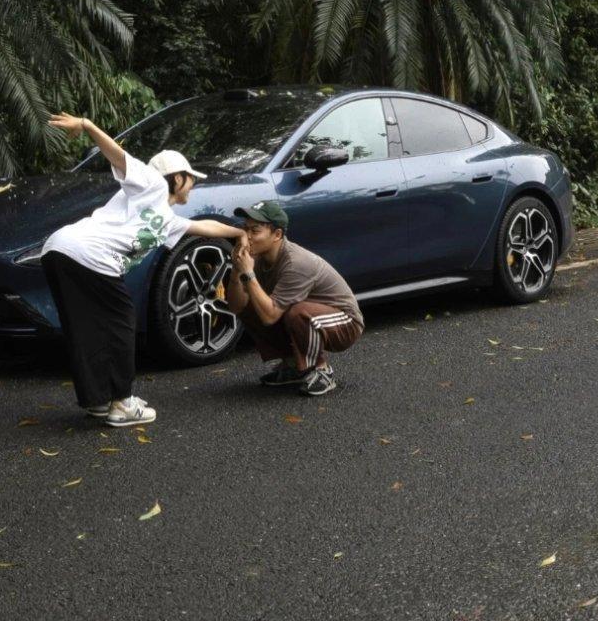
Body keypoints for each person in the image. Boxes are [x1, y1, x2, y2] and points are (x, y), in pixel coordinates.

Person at [41, 112, 248, 426]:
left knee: (88, 328)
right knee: (123, 321)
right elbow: (118, 155)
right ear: (176, 178)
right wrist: (86, 125)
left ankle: (98, 400)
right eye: (190, 177)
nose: (192, 185)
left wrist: (238, 233)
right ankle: (123, 402)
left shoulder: (166, 219)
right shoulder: (150, 184)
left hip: (61, 250)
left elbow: (201, 226)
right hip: (87, 255)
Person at [225, 200, 363, 397]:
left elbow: (270, 316)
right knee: (252, 304)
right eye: (244, 229)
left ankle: (321, 370)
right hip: (304, 314)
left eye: (255, 231)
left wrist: (249, 274)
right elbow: (236, 306)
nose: (247, 237)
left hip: (345, 322)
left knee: (297, 313)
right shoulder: (255, 257)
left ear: (277, 235)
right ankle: (294, 367)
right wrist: (237, 273)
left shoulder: (296, 263)